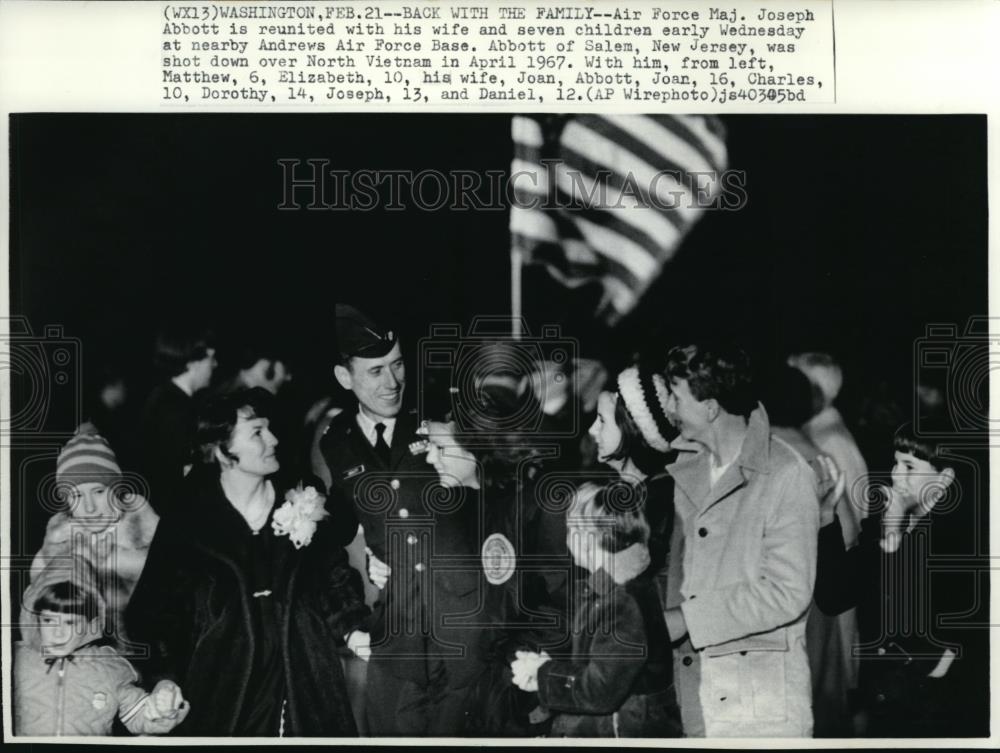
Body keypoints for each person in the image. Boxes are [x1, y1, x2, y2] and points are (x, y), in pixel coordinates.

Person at [126, 388, 369, 736]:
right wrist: (164, 679)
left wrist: (352, 626)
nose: (272, 439)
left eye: (269, 428)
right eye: (257, 432)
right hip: (225, 694)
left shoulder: (301, 498)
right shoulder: (187, 524)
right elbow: (154, 615)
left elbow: (331, 574)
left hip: (302, 685)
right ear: (224, 452)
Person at [314, 304, 484, 736]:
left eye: (398, 365)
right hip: (397, 638)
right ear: (344, 377)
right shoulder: (338, 443)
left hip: (462, 632)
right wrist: (349, 622)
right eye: (375, 371)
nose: (392, 383)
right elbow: (326, 539)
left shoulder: (442, 419)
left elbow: (496, 510)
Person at [661, 343, 819, 737]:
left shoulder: (786, 473)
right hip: (697, 694)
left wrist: (687, 620)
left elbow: (787, 591)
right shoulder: (688, 468)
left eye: (675, 396)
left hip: (760, 708)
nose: (669, 408)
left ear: (710, 407)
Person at [814, 424, 989, 736]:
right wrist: (827, 518)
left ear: (944, 479)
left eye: (910, 466)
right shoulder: (883, 527)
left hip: (940, 714)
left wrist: (893, 535)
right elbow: (832, 597)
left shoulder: (962, 542)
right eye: (896, 463)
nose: (896, 475)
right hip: (885, 707)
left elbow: (910, 618)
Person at [509, 482, 682, 737]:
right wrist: (546, 667)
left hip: (624, 730)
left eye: (570, 530)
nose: (566, 539)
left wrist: (544, 674)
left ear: (588, 538)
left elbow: (601, 691)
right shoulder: (613, 590)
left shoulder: (622, 601)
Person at [15, 557, 188, 736]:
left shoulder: (110, 666)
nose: (58, 633)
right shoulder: (14, 659)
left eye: (70, 623)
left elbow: (140, 717)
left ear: (91, 624)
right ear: (35, 619)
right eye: (49, 620)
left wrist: (163, 707)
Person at [30, 425, 159, 642]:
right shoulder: (58, 541)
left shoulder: (150, 535)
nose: (89, 508)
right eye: (77, 496)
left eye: (99, 491)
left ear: (116, 490)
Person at [589, 364, 677, 596]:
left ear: (632, 428)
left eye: (602, 421)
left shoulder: (659, 498)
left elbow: (614, 579)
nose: (592, 430)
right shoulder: (627, 491)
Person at [138, 325, 217, 518]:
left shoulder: (168, 398)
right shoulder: (173, 408)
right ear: (192, 363)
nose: (215, 365)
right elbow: (177, 473)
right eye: (211, 357)